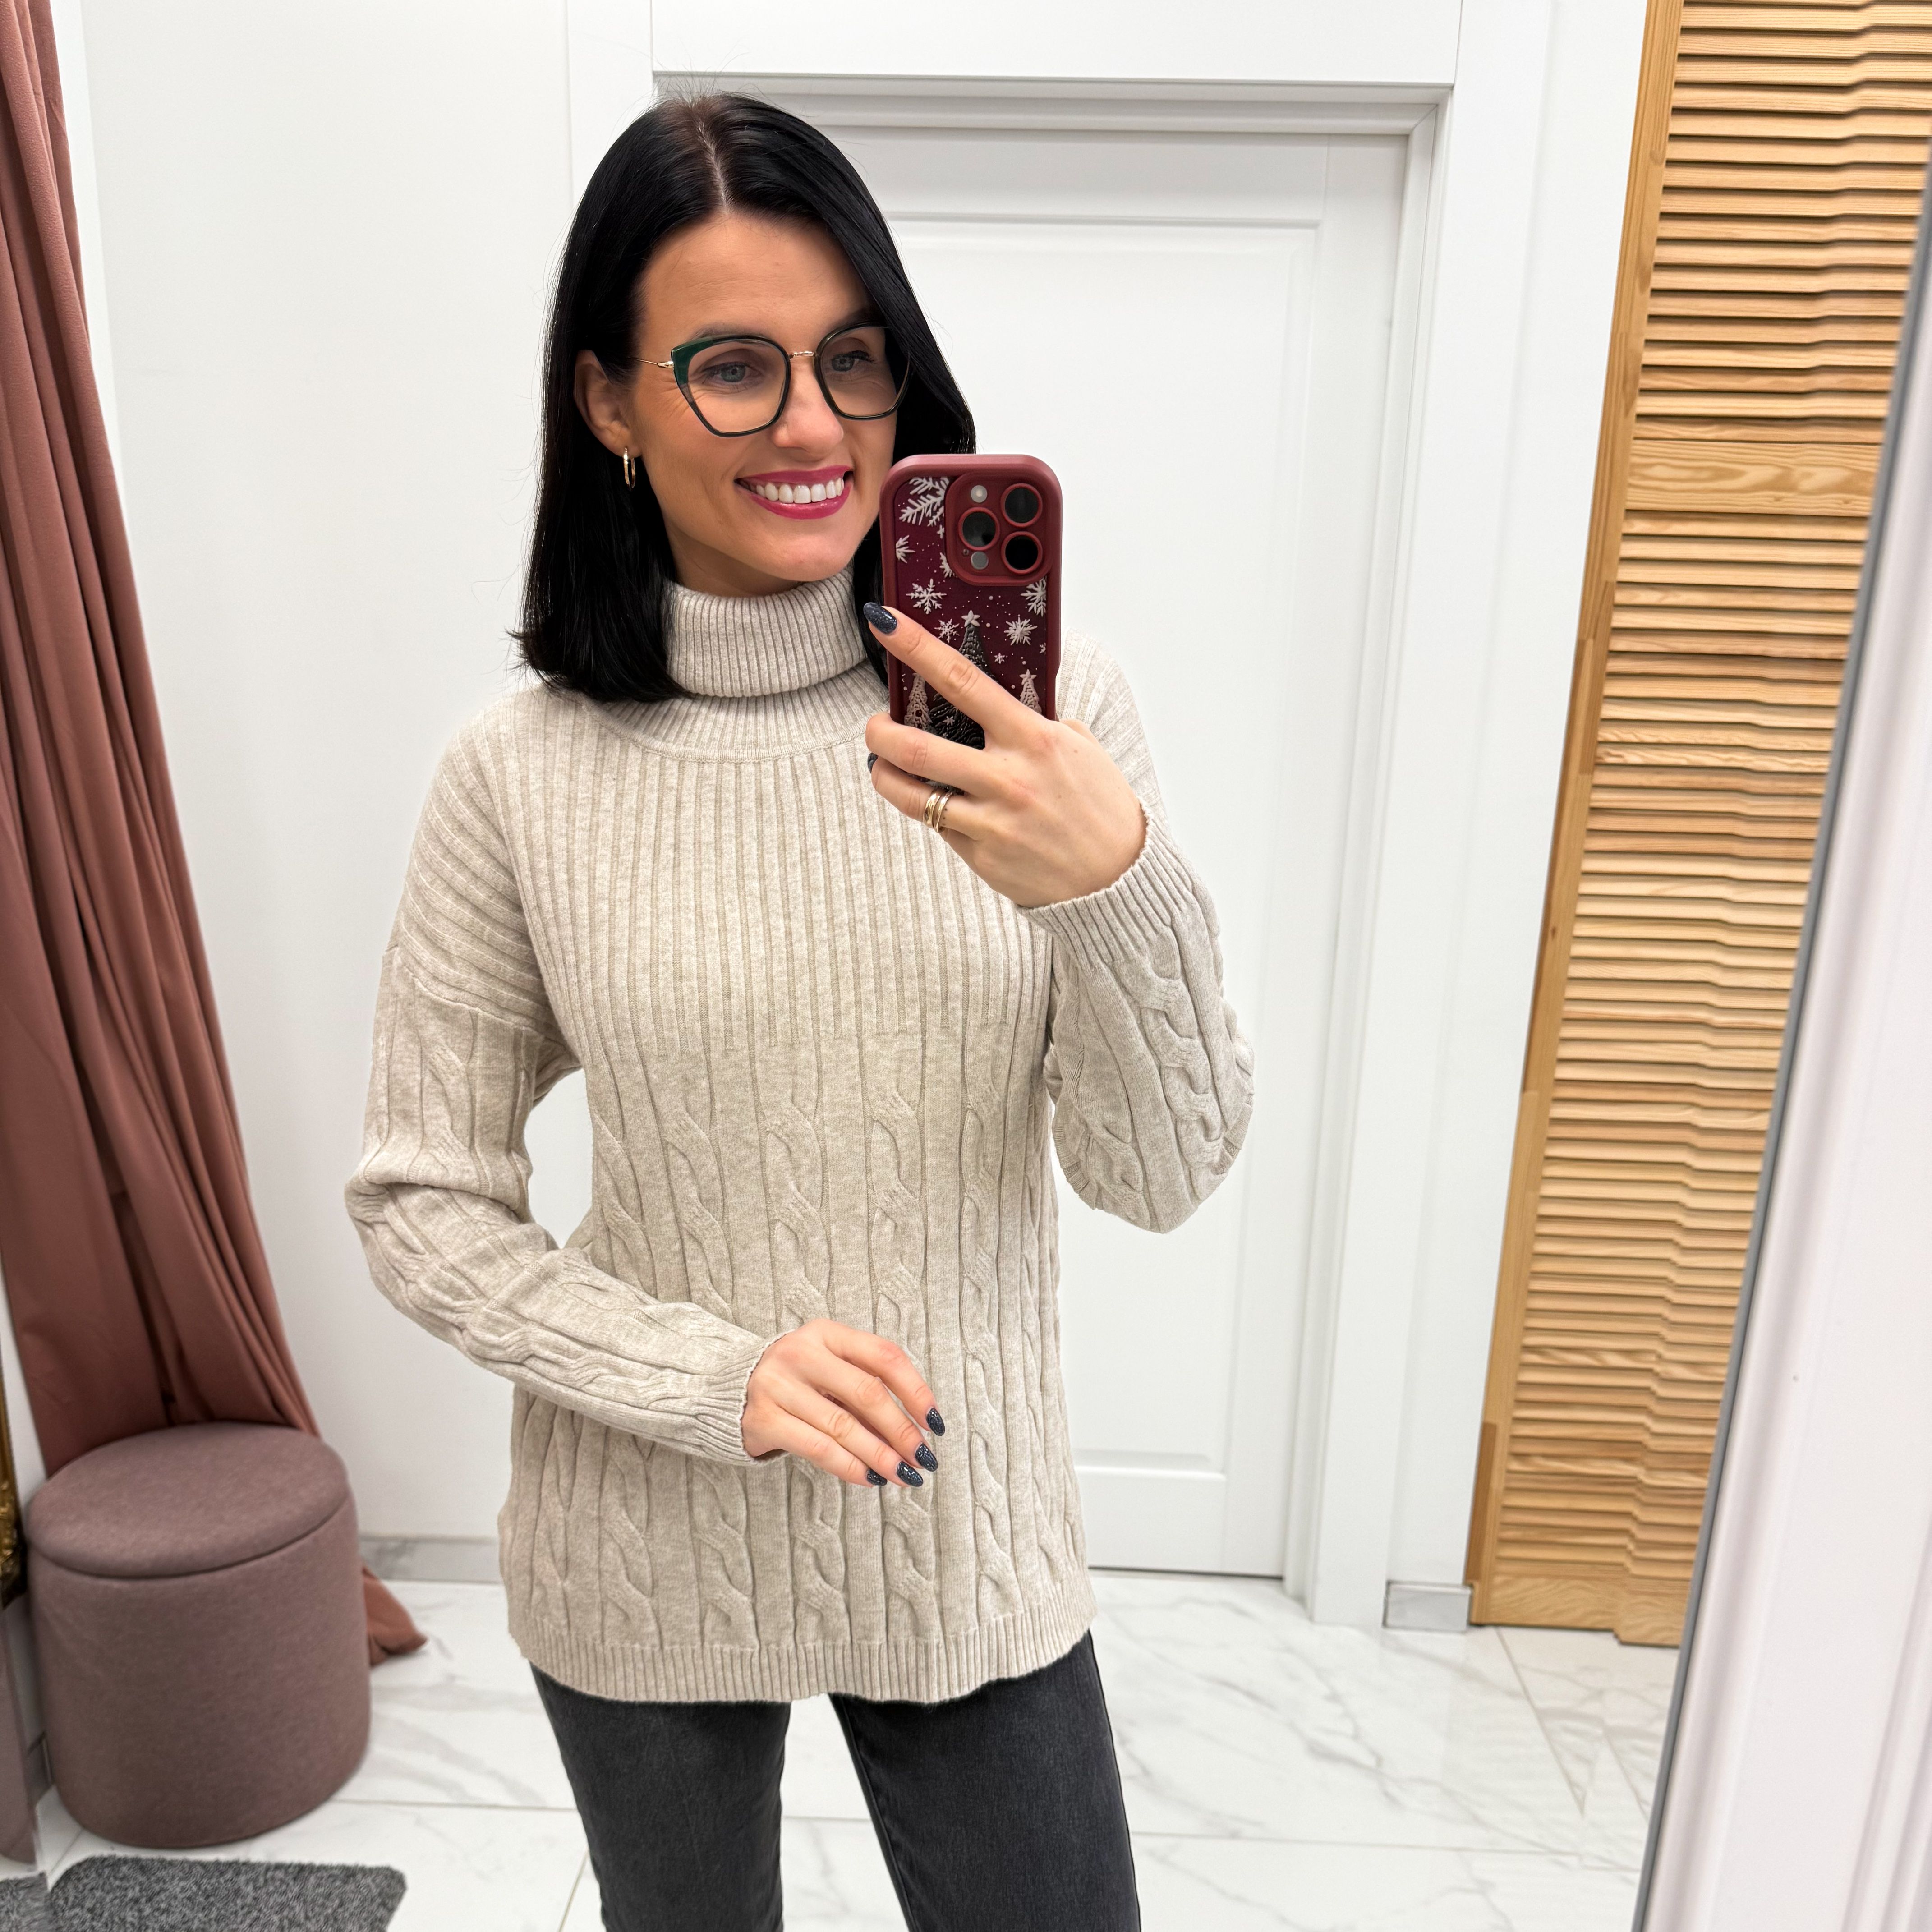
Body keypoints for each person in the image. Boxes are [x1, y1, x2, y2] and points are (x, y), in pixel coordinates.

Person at [346, 92, 1253, 1932]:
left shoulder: (1047, 717)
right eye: (733, 368)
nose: (818, 426)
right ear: (607, 402)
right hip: (645, 1544)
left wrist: (1114, 882)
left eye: (854, 357)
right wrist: (712, 1379)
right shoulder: (518, 772)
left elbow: (1160, 1178)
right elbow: (421, 1201)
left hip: (965, 1531)